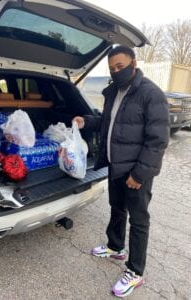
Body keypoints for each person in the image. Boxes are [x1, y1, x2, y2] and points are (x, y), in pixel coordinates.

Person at [73, 45, 170, 298]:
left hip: (136, 172)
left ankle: (135, 272)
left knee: (139, 220)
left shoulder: (151, 94)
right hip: (116, 166)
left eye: (121, 67)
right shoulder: (113, 91)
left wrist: (139, 174)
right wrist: (87, 121)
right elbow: (109, 123)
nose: (117, 72)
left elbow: (157, 141)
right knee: (117, 208)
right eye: (112, 68)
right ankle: (116, 247)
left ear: (133, 65)